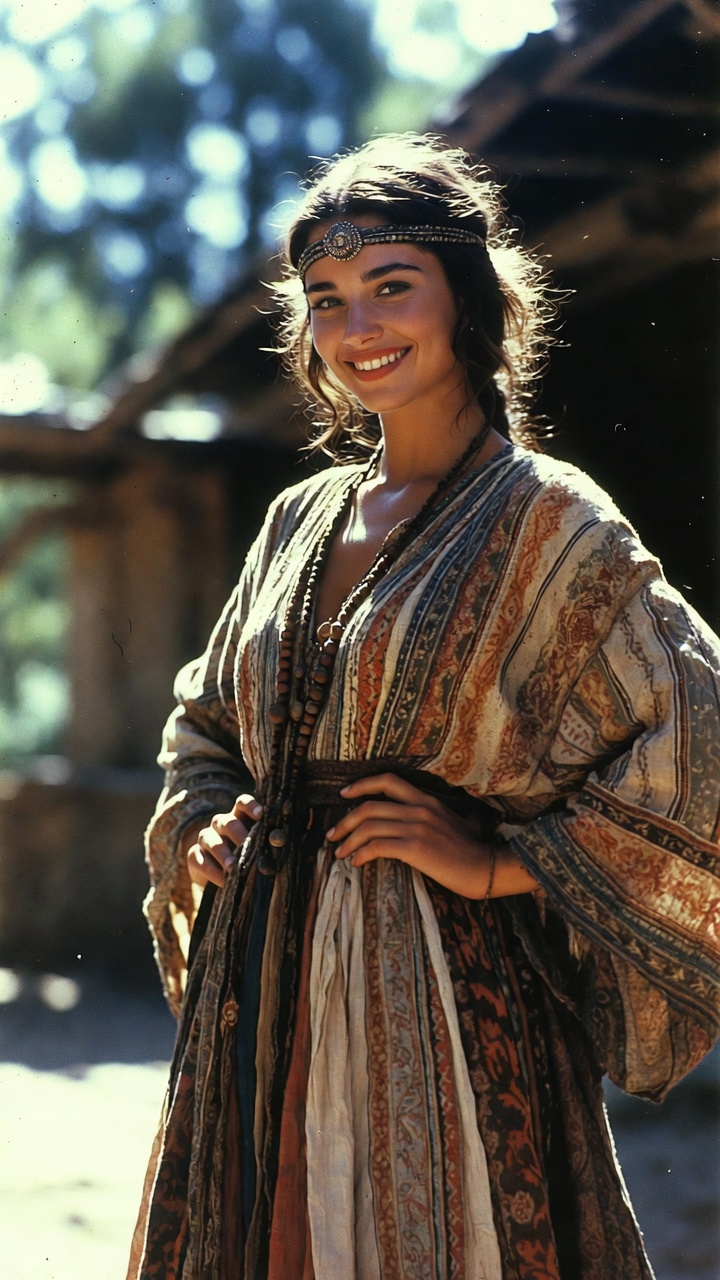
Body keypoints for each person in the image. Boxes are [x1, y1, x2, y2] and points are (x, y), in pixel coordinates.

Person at [127, 134, 720, 1280]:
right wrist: (208, 817)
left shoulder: (549, 521)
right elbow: (208, 719)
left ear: (468, 297)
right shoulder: (297, 519)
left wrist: (500, 862)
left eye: (391, 284)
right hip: (259, 986)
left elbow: (700, 734)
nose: (358, 327)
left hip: (442, 994)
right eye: (327, 298)